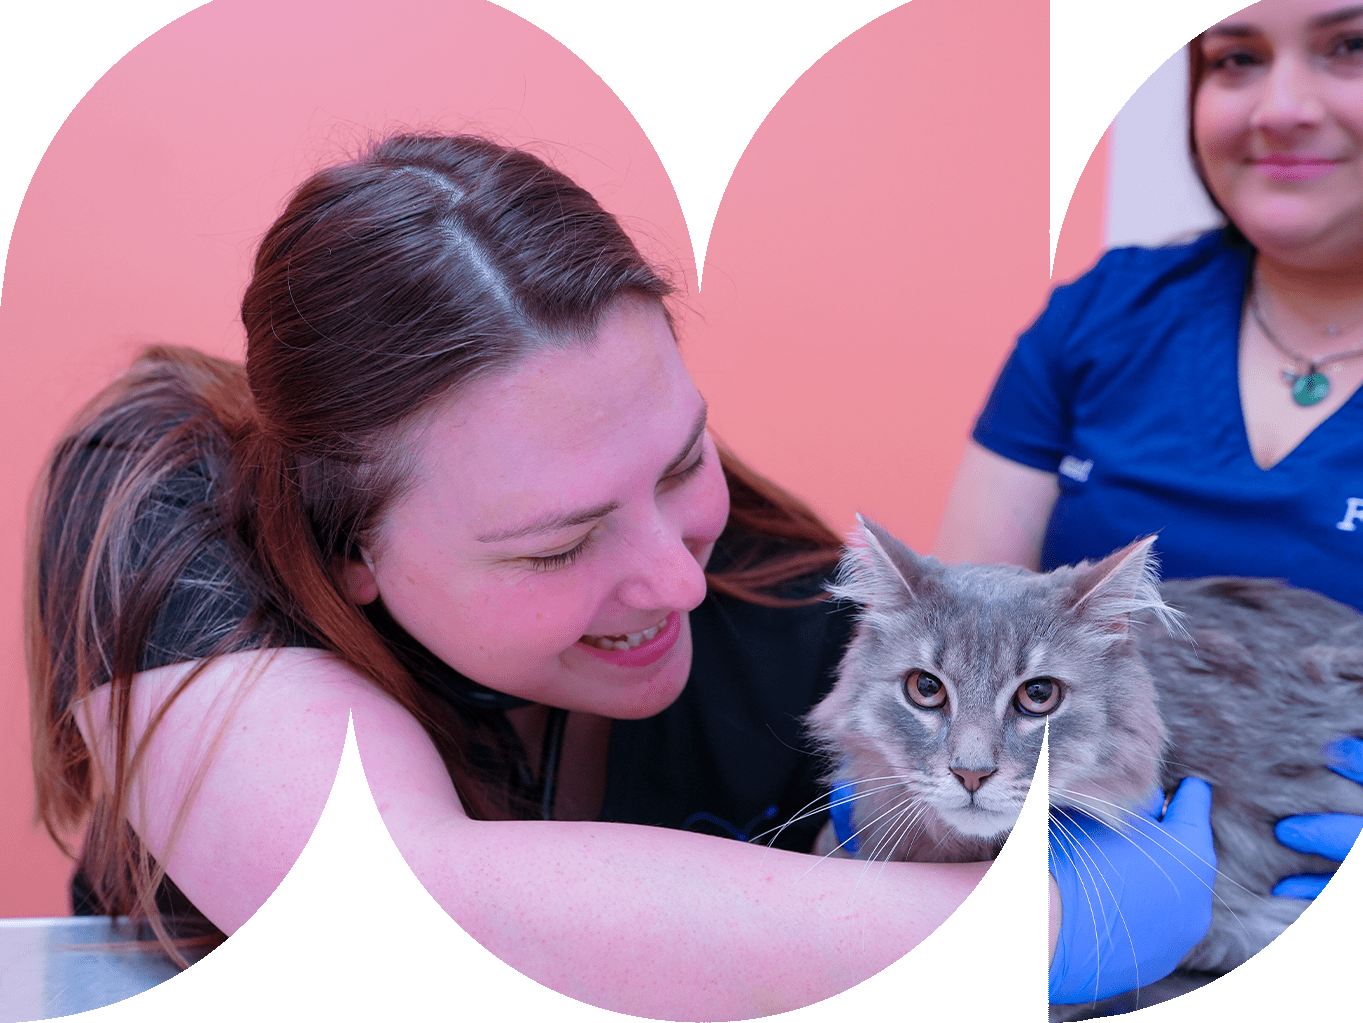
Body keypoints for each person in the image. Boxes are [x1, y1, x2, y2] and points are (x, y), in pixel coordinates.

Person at [27, 133, 991, 1020]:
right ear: (350, 544)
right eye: (558, 547)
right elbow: (378, 918)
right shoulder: (160, 497)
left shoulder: (791, 616)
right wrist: (1033, 925)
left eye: (684, 464)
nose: (679, 583)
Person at [932, 0, 1363, 1003]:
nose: (1274, 106)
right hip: (1079, 908)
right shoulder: (1099, 318)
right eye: (1233, 59)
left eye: (1353, 45)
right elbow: (959, 623)